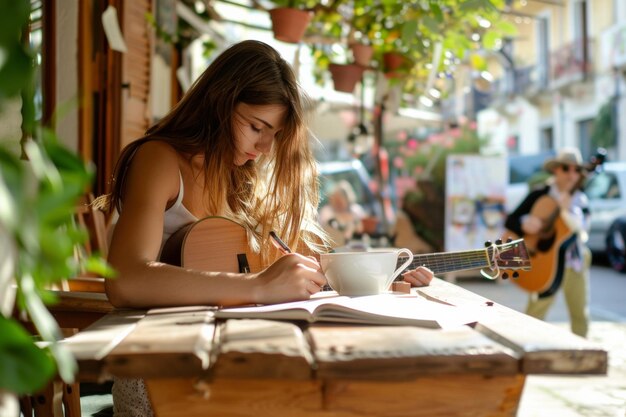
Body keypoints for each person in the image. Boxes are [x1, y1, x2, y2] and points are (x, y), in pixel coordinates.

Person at [98, 40, 434, 416]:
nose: (264, 147)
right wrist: (257, 285)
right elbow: (125, 280)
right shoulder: (159, 159)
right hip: (164, 375)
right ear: (218, 102)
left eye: (273, 134)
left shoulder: (237, 180)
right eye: (256, 126)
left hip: (233, 362)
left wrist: (382, 279)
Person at [504, 147, 591, 338]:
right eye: (567, 168)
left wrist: (565, 211)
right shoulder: (540, 194)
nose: (572, 174)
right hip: (544, 262)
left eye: (577, 169)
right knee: (535, 312)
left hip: (574, 263)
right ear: (556, 170)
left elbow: (582, 230)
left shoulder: (580, 200)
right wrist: (525, 223)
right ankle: (526, 353)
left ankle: (582, 358)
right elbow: (511, 219)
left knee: (580, 313)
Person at [318, 180, 366, 247]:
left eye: (340, 200)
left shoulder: (356, 210)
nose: (338, 203)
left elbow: (363, 229)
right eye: (335, 199)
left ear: (347, 199)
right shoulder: (327, 212)